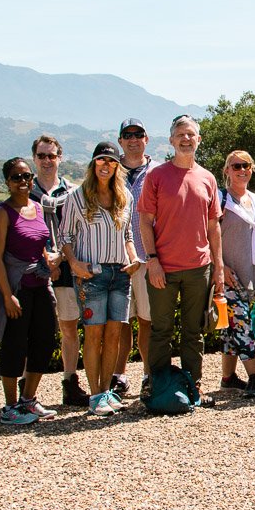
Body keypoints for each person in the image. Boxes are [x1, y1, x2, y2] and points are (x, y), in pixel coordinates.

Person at [140, 115, 224, 404]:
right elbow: (145, 222)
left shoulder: (208, 178)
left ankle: (193, 387)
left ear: (198, 140)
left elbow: (214, 227)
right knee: (160, 331)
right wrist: (152, 261)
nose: (186, 139)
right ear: (171, 140)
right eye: (180, 134)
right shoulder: (157, 176)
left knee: (194, 331)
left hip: (199, 268)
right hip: (163, 267)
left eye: (191, 134)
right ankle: (159, 386)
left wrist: (219, 269)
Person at [57, 141, 142, 417]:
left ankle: (105, 391)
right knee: (94, 333)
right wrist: (74, 263)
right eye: (101, 160)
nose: (106, 165)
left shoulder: (125, 197)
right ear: (93, 164)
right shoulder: (76, 197)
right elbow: (65, 236)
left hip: (120, 273)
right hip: (91, 273)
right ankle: (95, 395)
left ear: (117, 166)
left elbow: (127, 235)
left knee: (115, 333)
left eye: (111, 161)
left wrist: (132, 259)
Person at [0, 157, 59, 425]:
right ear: (7, 181)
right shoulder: (2, 213)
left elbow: (40, 243)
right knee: (14, 346)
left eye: (27, 177)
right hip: (16, 288)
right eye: (17, 178)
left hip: (40, 286)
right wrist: (7, 296)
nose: (23, 182)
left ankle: (28, 400)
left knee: (43, 342)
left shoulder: (38, 207)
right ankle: (9, 406)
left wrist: (49, 262)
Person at [30, 134, 88, 407]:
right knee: (34, 330)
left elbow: (80, 230)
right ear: (34, 158)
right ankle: (29, 390)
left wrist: (63, 259)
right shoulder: (25, 191)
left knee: (68, 327)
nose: (46, 161)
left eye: (51, 155)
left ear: (59, 158)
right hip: (33, 270)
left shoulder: (73, 192)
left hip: (65, 269)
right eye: (41, 156)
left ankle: (69, 381)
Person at [217, 149, 255, 398]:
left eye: (246, 165)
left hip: (249, 276)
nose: (242, 170)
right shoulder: (220, 199)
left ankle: (228, 377)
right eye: (236, 166)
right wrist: (220, 267)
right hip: (227, 275)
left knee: (231, 328)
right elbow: (207, 236)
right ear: (227, 170)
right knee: (242, 326)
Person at [116, 118, 155, 398]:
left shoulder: (157, 172)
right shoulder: (108, 170)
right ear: (120, 141)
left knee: (147, 321)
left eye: (138, 134)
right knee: (120, 322)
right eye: (127, 135)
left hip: (146, 255)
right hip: (116, 259)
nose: (133, 139)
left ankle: (148, 374)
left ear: (146, 139)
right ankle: (118, 376)